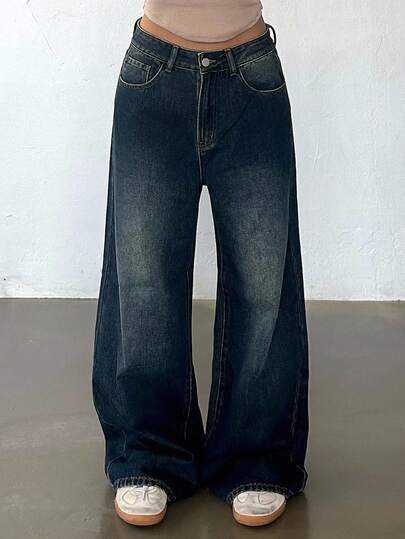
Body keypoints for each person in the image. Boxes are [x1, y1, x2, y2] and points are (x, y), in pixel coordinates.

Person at [92, 0, 309, 527]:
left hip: (252, 78)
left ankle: (256, 457)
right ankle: (149, 454)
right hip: (153, 75)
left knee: (263, 282)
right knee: (143, 279)